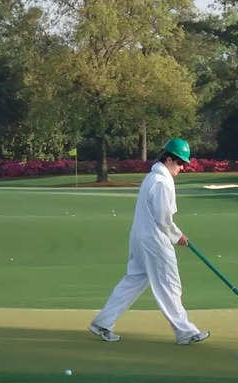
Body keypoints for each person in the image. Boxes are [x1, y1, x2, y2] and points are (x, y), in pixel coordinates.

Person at [89, 138, 210, 345]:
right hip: (155, 240)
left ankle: (102, 323)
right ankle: (186, 332)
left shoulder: (152, 177)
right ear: (169, 159)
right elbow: (163, 218)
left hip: (140, 238)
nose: (182, 167)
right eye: (180, 163)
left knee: (133, 281)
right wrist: (178, 236)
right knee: (170, 285)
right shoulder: (162, 182)